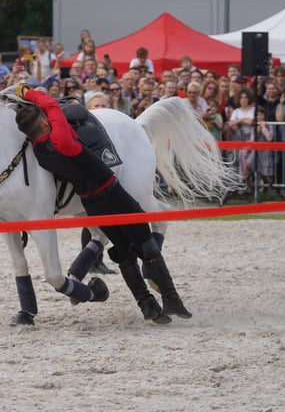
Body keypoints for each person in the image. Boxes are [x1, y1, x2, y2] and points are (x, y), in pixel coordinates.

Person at [15, 86, 191, 324]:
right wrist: (28, 93)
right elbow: (54, 106)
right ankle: (172, 299)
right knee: (146, 244)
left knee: (124, 252)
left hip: (92, 205)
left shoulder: (40, 151)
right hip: (113, 193)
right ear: (45, 125)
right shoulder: (61, 139)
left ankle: (146, 304)